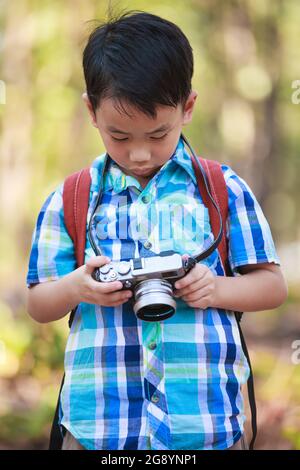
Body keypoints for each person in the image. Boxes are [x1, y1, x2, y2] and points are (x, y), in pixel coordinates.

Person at [26, 10, 288, 451]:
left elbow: (272, 286)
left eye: (158, 133)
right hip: (100, 430)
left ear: (188, 107)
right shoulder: (72, 198)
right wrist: (79, 287)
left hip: (204, 426)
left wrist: (215, 289)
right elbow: (38, 302)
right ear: (91, 110)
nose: (141, 153)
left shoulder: (221, 190)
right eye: (120, 136)